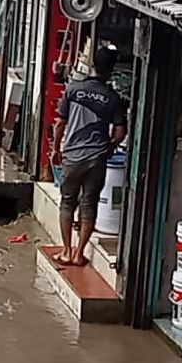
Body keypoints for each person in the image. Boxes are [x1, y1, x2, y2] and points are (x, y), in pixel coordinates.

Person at [51, 45, 127, 267]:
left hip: (73, 155)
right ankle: (79, 253)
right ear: (111, 70)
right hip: (97, 159)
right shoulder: (113, 98)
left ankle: (66, 251)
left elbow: (59, 124)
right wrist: (109, 147)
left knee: (67, 203)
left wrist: (56, 149)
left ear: (92, 65)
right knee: (89, 204)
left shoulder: (73, 89)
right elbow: (120, 133)